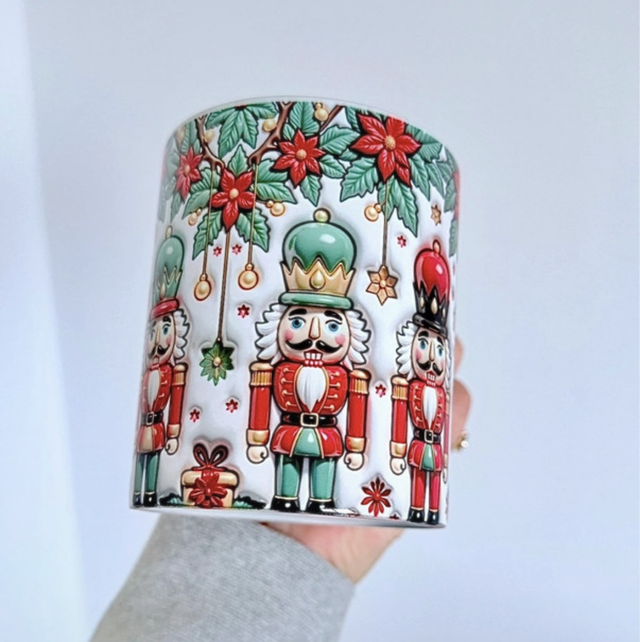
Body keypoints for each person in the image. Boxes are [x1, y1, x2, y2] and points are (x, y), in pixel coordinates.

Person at [92, 342, 470, 642]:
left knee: (322, 484)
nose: (314, 339)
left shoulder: (352, 375)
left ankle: (320, 498)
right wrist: (255, 439)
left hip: (329, 441)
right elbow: (260, 399)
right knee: (286, 480)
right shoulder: (274, 370)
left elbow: (358, 408)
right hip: (285, 438)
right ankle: (289, 498)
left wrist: (361, 446)